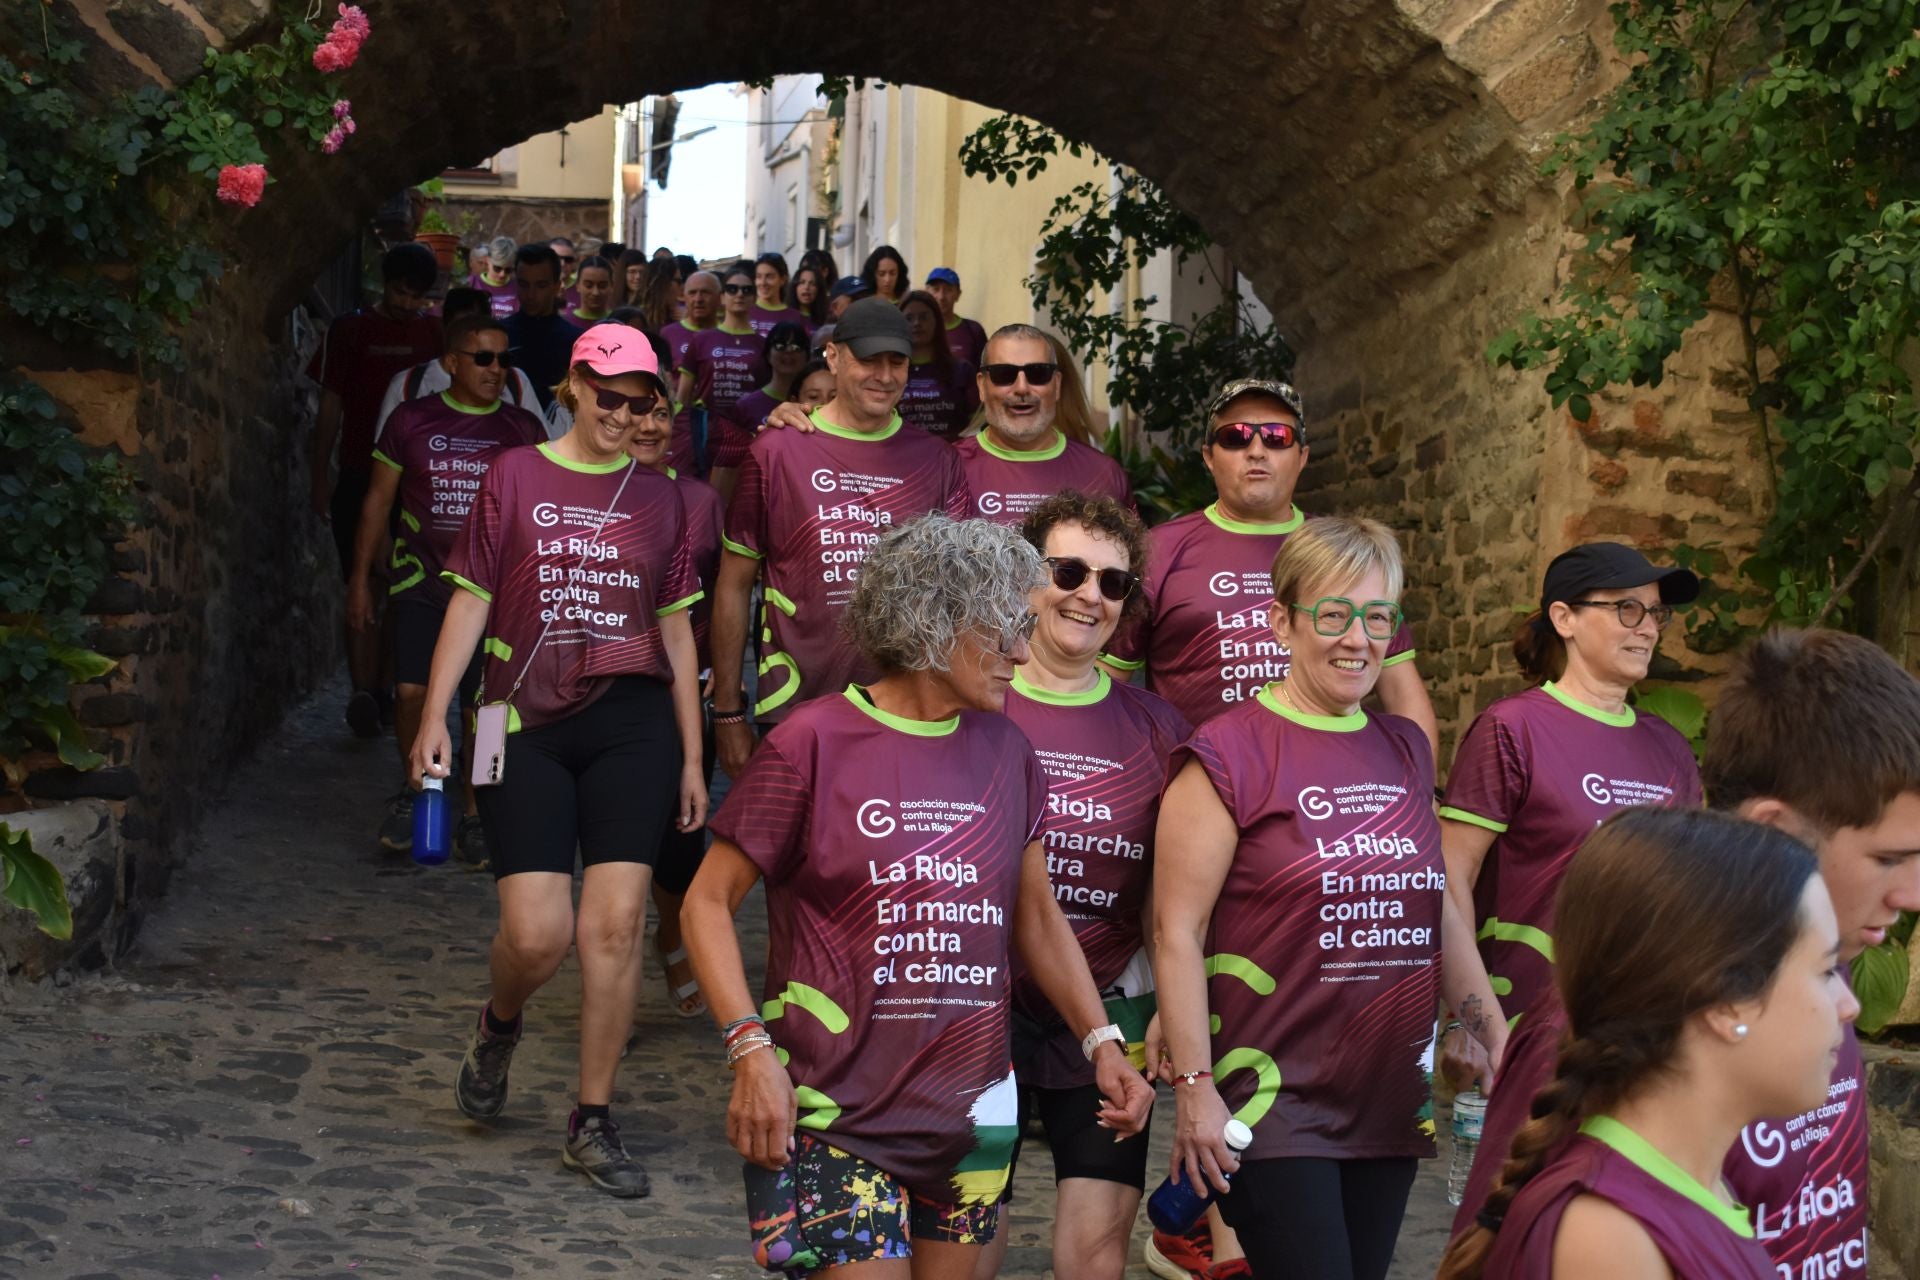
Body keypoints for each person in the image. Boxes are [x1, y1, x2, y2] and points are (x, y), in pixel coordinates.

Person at [682, 513, 1154, 1276]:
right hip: (837, 1110)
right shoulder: (812, 742)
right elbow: (704, 904)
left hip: (970, 1116)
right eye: (1000, 629)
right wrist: (749, 1050)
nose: (1018, 649)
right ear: (933, 624)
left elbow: (1035, 916)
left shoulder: (1009, 750)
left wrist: (1102, 1043)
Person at [1449, 627, 1920, 1277]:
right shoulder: (1625, 1022)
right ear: (1776, 832)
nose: (1912, 894)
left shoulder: (1822, 987)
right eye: (1889, 858)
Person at [1151, 515, 1499, 1280]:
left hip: (1386, 1094)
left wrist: (1484, 1025)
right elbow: (1177, 929)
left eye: (1378, 618)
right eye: (1333, 615)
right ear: (1282, 622)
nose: (1357, 638)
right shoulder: (1227, 754)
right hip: (1273, 1102)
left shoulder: (1404, 748)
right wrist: (1196, 1090)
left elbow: (1434, 900)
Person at [413, 326, 707, 1197]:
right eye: (607, 395)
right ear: (574, 386)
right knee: (537, 935)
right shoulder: (514, 474)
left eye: (640, 400)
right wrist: (437, 715)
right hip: (522, 719)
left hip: (634, 722)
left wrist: (694, 759)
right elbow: (468, 599)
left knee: (611, 926)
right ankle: (500, 1023)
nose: (623, 414)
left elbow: (679, 631)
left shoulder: (664, 499)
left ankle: (593, 1118)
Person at [1437, 807, 1854, 1279]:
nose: (1848, 1005)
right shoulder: (1609, 1236)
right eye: (1825, 972)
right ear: (1726, 1001)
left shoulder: (1691, 1185)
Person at [970, 494, 1189, 1280]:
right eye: (1067, 571)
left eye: (1113, 582)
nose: (1089, 594)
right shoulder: (974, 700)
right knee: (970, 1231)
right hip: (977, 1000)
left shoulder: (1159, 728)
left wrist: (1172, 1000)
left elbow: (1180, 885)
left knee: (1095, 1251)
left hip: (1110, 1002)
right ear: (1026, 577)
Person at [1438, 541, 1703, 1043]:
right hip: (1526, 1033)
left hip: (1638, 1034)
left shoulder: (1670, 748)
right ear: (1564, 618)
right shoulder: (1512, 728)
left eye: (1656, 613)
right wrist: (1471, 1021)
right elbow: (1452, 879)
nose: (1647, 627)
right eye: (1628, 609)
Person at [1102, 379, 1437, 750]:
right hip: (1199, 782)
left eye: (1277, 437)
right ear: (1209, 457)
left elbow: (1403, 695)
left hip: (1324, 780)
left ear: (1303, 456)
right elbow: (1107, 684)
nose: (1257, 450)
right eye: (1236, 436)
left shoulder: (1344, 552)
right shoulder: (1159, 549)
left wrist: (1419, 794)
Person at [711, 297, 970, 775]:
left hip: (909, 710)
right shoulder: (776, 451)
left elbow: (959, 596)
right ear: (832, 357)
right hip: (796, 709)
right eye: (869, 359)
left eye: (897, 362)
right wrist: (728, 710)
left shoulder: (937, 459)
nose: (885, 375)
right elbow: (733, 583)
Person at [348, 313, 544, 863]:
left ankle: (479, 812)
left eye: (505, 359)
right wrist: (360, 582)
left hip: (495, 593)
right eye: (483, 358)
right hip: (420, 582)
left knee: (483, 710)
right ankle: (417, 792)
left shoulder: (523, 430)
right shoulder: (410, 420)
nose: (497, 369)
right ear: (451, 363)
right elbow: (377, 503)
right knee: (411, 695)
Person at [306, 241, 445, 738]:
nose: (407, 304)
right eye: (399, 292)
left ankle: (387, 686)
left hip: (418, 484)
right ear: (383, 284)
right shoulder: (351, 330)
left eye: (417, 296)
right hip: (362, 474)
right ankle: (362, 689)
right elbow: (329, 409)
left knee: (402, 586)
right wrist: (320, 476)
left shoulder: (435, 335)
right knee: (362, 579)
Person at [621, 376, 725, 1019]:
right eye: (639, 414)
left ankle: (670, 929)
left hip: (689, 692)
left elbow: (722, 591)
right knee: (620, 857)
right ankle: (617, 989)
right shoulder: (591, 493)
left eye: (662, 414)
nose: (651, 427)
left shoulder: (703, 501)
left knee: (680, 843)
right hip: (616, 695)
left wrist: (718, 669)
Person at [954, 325, 1132, 525]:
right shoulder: (948, 469)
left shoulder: (1103, 473)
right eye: (1003, 374)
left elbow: (1130, 553)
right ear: (981, 386)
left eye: (1038, 373)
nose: (1022, 388)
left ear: (1056, 385)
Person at [373, 287, 540, 440]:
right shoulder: (408, 383)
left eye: (503, 360)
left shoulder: (515, 382)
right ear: (444, 328)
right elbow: (387, 457)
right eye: (461, 329)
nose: (495, 369)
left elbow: (542, 451)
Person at [676, 262, 763, 499]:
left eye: (746, 290)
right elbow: (682, 397)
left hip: (750, 433)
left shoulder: (762, 344)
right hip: (705, 432)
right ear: (722, 297)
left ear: (755, 297)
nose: (739, 295)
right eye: (732, 289)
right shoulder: (702, 340)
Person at [501, 243, 583, 413]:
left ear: (556, 286)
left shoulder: (575, 341)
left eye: (541, 285)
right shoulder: (500, 336)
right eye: (524, 284)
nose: (531, 294)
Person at [898, 290, 979, 441]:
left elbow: (976, 424)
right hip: (904, 459)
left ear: (937, 321)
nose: (916, 323)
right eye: (909, 318)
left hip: (953, 458)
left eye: (924, 317)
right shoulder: (891, 373)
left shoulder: (962, 370)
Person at [661, 270, 719, 473]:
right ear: (683, 296)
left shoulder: (723, 335)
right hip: (679, 427)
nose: (698, 299)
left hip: (716, 424)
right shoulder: (668, 334)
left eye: (705, 293)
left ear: (720, 297)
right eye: (692, 293)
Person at [728, 322, 810, 430]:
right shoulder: (745, 406)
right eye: (780, 346)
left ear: (807, 356)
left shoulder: (815, 402)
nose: (789, 351)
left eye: (796, 347)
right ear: (768, 354)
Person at [926, 267, 988, 368]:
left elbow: (985, 369)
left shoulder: (973, 331)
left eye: (948, 290)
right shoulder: (918, 330)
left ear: (958, 294)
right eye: (936, 289)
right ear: (927, 292)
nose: (941, 297)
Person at [749, 252, 809, 336]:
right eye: (759, 276)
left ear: (783, 280)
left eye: (769, 277)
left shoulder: (795, 317)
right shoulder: (744, 313)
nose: (763, 283)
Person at [475, 235, 519, 318]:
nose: (502, 274)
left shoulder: (517, 287)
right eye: (497, 268)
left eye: (508, 270)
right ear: (487, 260)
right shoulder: (473, 283)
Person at [566, 255, 615, 326]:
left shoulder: (620, 322)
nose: (595, 292)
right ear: (577, 285)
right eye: (588, 286)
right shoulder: (566, 323)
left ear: (611, 286)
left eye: (602, 286)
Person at [636, 259, 681, 333]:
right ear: (664, 285)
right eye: (679, 281)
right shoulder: (636, 319)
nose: (682, 286)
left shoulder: (681, 316)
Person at [788, 260, 829, 328]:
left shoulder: (826, 319)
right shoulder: (786, 316)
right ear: (795, 287)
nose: (806, 287)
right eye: (802, 282)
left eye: (812, 283)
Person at [550, 235, 580, 309]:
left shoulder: (583, 288)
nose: (562, 264)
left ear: (574, 263)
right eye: (557, 258)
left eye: (568, 259)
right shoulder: (535, 288)